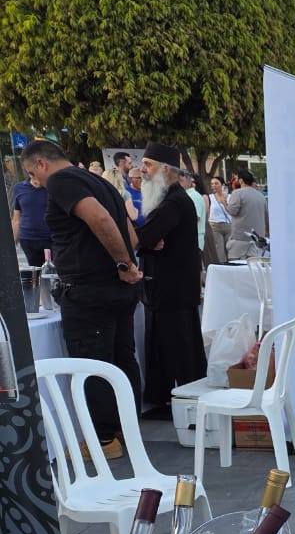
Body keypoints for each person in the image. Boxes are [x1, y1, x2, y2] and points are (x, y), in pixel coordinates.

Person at [21, 140, 142, 459]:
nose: (35, 182)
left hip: (91, 290)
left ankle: (104, 440)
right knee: (121, 358)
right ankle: (126, 429)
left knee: (93, 364)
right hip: (114, 289)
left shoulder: (62, 181)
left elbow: (101, 220)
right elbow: (131, 235)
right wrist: (126, 264)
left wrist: (123, 265)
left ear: (42, 163)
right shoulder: (101, 182)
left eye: (33, 173)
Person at [134, 143, 206, 411]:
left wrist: (145, 240)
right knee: (169, 347)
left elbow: (144, 237)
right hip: (170, 288)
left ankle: (185, 403)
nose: (142, 170)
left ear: (166, 170)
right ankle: (168, 399)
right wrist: (148, 242)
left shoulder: (174, 202)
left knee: (178, 349)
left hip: (172, 290)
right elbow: (149, 239)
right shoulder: (171, 200)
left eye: (148, 165)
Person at [10, 171, 51, 268]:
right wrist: (12, 243)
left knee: (54, 271)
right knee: (34, 272)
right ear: (29, 174)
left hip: (51, 239)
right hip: (28, 240)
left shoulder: (53, 187)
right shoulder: (19, 188)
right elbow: (16, 218)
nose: (38, 182)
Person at [223, 169, 267, 260]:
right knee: (253, 266)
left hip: (240, 238)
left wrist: (224, 203)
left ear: (241, 180)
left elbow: (232, 211)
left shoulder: (237, 193)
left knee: (236, 265)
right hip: (257, 240)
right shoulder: (261, 196)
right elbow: (266, 217)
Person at [205, 175, 233, 264]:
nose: (214, 186)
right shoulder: (210, 197)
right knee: (219, 250)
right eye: (212, 184)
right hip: (215, 226)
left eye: (216, 183)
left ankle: (231, 266)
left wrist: (224, 203)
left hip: (228, 225)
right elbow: (207, 211)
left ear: (222, 185)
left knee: (229, 249)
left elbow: (232, 212)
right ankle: (221, 267)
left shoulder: (230, 197)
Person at [181, 170, 206, 260]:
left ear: (190, 181)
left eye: (181, 180)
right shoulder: (186, 195)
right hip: (188, 240)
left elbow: (195, 218)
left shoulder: (194, 196)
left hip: (193, 241)